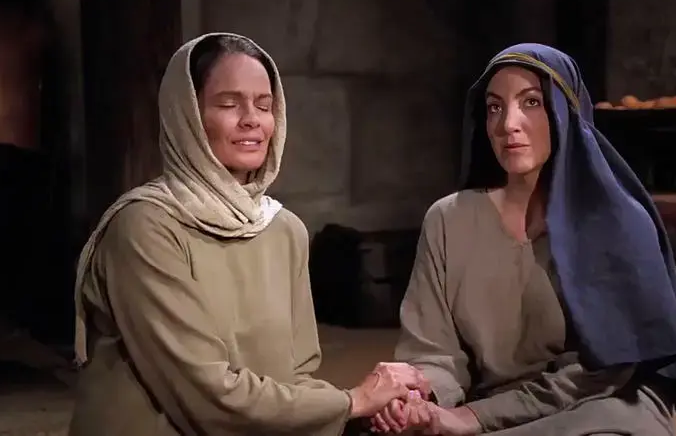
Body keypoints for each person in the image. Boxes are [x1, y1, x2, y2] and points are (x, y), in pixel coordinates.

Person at [68, 32, 428, 436]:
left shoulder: (283, 229)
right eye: (228, 104)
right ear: (187, 115)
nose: (251, 119)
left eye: (264, 105)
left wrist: (367, 411)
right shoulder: (145, 226)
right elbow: (204, 394)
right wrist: (352, 402)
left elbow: (296, 379)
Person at [369, 44, 676, 435]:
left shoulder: (618, 223)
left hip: (601, 404)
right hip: (491, 403)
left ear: (565, 112)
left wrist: (473, 417)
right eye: (494, 107)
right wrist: (422, 400)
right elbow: (434, 353)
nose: (508, 124)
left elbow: (603, 370)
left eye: (531, 102)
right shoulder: (448, 219)